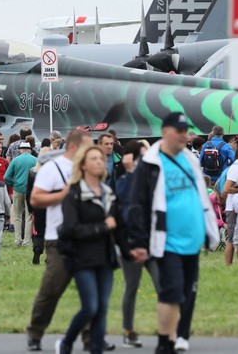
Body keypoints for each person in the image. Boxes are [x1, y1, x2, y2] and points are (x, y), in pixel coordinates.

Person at [126, 113, 220, 354]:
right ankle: (164, 342)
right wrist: (137, 241)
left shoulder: (189, 159)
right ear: (166, 131)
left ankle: (177, 336)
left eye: (185, 130)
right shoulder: (150, 163)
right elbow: (136, 204)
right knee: (171, 292)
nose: (183, 135)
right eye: (178, 131)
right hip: (166, 240)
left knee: (188, 292)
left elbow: (201, 197)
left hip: (193, 240)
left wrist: (210, 231)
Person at [26, 130, 95, 352]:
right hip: (59, 240)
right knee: (51, 290)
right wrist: (65, 194)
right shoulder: (52, 169)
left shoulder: (89, 169)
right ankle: (35, 333)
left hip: (86, 240)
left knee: (92, 293)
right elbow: (36, 198)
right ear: (74, 147)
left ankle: (91, 338)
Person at [55, 146, 129, 354]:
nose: (99, 161)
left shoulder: (108, 193)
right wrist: (102, 227)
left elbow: (118, 227)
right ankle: (67, 342)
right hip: (81, 258)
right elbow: (71, 228)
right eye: (94, 158)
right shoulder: (74, 193)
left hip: (105, 257)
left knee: (102, 309)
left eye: (100, 158)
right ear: (83, 164)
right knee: (91, 307)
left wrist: (131, 250)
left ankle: (96, 349)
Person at [114, 140, 159, 349]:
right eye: (141, 156)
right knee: (132, 286)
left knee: (163, 286)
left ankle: (168, 329)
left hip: (152, 242)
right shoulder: (124, 181)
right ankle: (129, 330)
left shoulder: (153, 180)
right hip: (132, 243)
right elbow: (127, 211)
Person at [4, 141, 38, 247]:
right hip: (31, 190)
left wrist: (13, 184)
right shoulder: (35, 160)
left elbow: (6, 177)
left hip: (18, 189)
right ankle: (27, 242)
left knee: (17, 215)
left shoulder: (15, 160)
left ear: (20, 150)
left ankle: (17, 240)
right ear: (30, 150)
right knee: (29, 216)